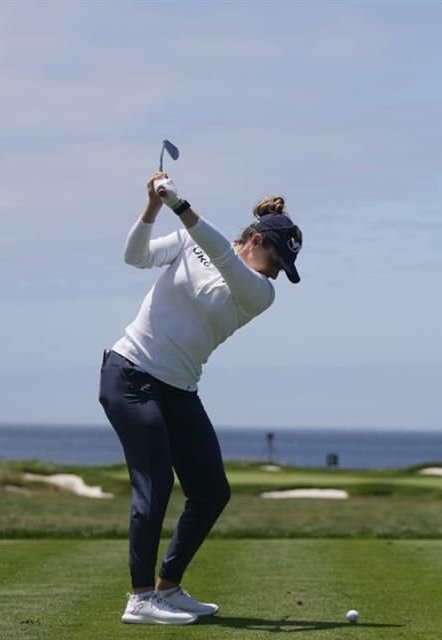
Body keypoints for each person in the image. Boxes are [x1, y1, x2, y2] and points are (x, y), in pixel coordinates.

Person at [99, 172, 303, 625]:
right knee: (154, 485)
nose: (275, 271)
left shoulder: (259, 293)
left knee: (211, 491)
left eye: (281, 269)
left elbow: (222, 258)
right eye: (274, 258)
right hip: (130, 374)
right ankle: (140, 598)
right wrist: (154, 205)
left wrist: (180, 203)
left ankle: (167, 587)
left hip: (178, 388)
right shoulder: (188, 242)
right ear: (254, 239)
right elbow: (135, 256)